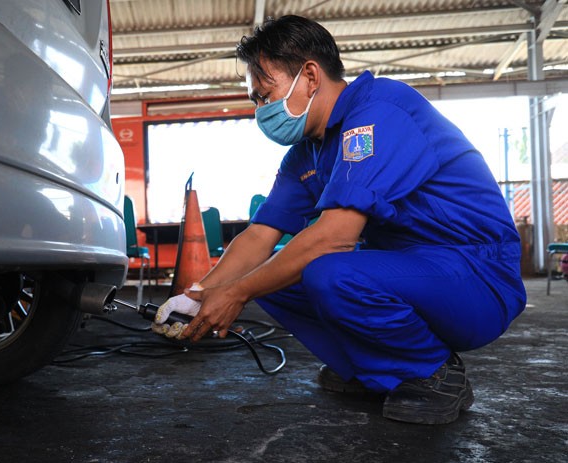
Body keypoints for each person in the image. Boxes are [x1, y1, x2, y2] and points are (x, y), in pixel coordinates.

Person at [152, 15, 526, 425]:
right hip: (408, 273)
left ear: (310, 75)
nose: (260, 110)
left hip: (476, 277)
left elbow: (334, 238)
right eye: (256, 100)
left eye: (265, 94)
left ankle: (432, 372)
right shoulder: (306, 153)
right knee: (270, 274)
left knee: (328, 271)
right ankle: (374, 370)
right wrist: (199, 294)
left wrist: (236, 294)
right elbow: (259, 235)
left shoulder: (378, 113)